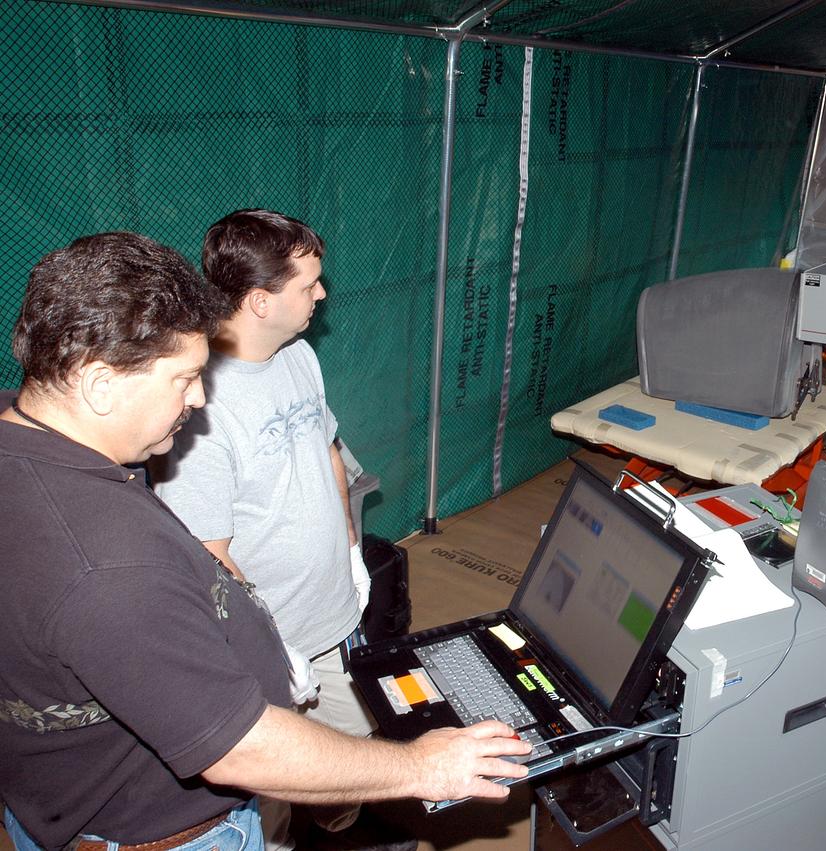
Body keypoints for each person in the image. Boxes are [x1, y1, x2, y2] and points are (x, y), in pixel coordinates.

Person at [0, 232, 529, 851]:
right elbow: (237, 747)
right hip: (169, 834)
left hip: (61, 798)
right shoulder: (107, 566)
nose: (198, 398)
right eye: (184, 378)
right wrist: (424, 766)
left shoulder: (31, 450)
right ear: (100, 384)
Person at [148, 209, 405, 848]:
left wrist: (350, 550)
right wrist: (271, 648)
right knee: (269, 805)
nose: (322, 294)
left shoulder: (298, 359)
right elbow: (207, 556)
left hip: (333, 616)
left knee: (354, 759)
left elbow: (327, 450)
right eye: (308, 284)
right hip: (272, 649)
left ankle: (337, 820)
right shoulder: (196, 403)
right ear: (261, 300)